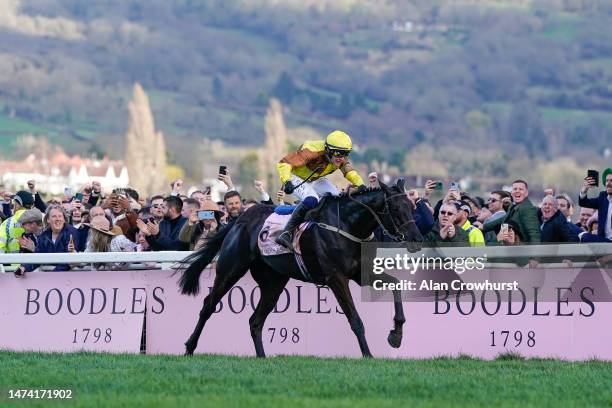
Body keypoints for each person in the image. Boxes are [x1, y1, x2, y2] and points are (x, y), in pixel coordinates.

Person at [275, 130, 366, 248]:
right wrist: (287, 181)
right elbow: (283, 164)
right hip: (295, 177)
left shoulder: (339, 157)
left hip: (314, 179)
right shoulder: (311, 150)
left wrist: (361, 184)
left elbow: (350, 172)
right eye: (339, 154)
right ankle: (286, 233)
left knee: (337, 197)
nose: (342, 159)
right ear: (329, 150)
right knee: (312, 199)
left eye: (346, 154)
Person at [16, 206, 79, 276]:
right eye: (54, 216)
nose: (58, 219)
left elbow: (68, 261)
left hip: (69, 276)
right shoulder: (44, 235)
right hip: (51, 276)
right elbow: (37, 257)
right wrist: (23, 268)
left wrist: (52, 275)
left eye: (60, 216)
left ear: (64, 219)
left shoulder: (71, 232)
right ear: (48, 220)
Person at [483, 180, 541, 244]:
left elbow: (534, 233)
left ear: (526, 193)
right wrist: (484, 227)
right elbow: (502, 219)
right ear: (511, 193)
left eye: (521, 189)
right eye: (515, 189)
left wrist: (535, 252)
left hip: (523, 250)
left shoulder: (527, 208)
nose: (517, 191)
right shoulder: (514, 206)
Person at [578, 168, 612, 241]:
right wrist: (584, 190)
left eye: (611, 181)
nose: (608, 184)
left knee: (583, 236)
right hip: (603, 241)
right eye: (607, 181)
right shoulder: (603, 197)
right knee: (581, 235)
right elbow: (583, 202)